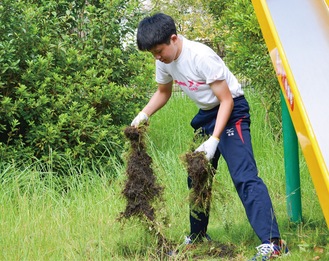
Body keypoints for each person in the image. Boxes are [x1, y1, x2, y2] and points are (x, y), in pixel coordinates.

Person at [130, 12, 288, 260]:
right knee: (197, 176)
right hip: (206, 115)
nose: (157, 57)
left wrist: (214, 140)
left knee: (244, 176)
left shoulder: (200, 56)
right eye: (153, 54)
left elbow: (226, 100)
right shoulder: (163, 59)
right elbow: (163, 91)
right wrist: (144, 114)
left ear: (173, 38)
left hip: (232, 111)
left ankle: (274, 243)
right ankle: (198, 236)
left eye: (159, 51)